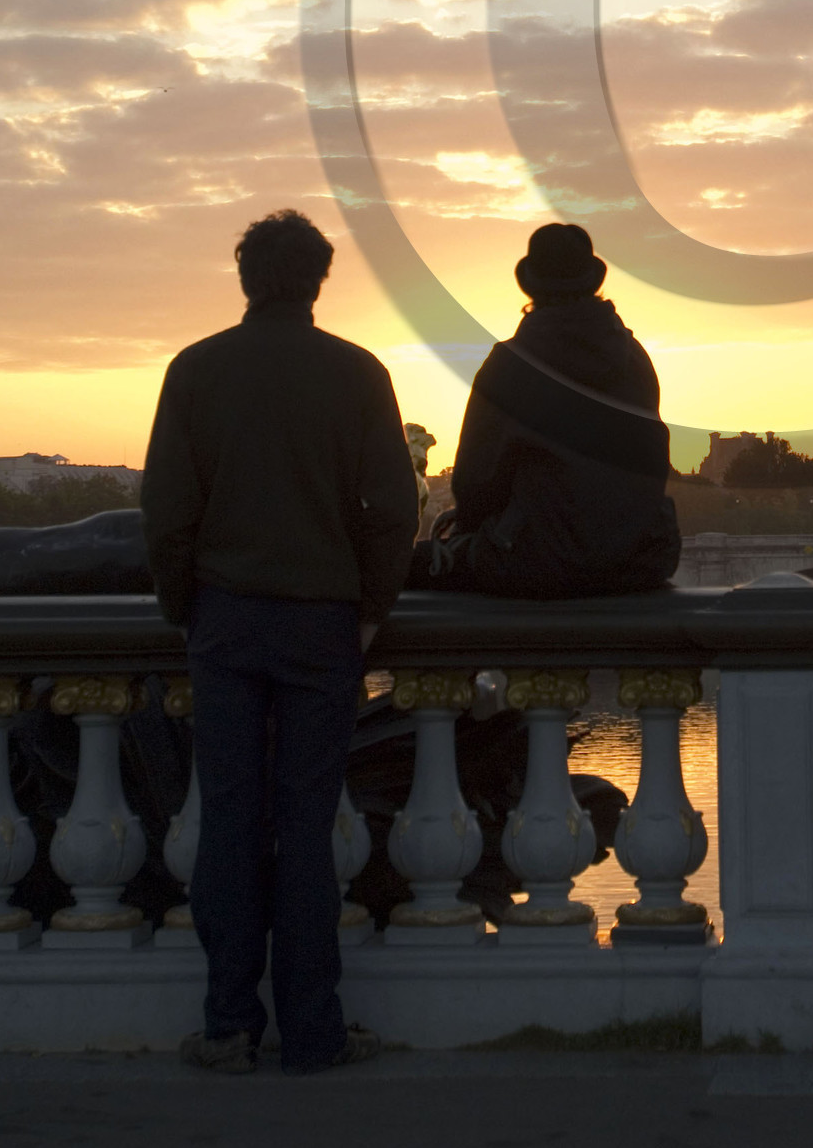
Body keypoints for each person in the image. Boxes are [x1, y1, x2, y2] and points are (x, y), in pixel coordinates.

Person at [141, 209, 419, 1078]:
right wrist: (371, 606)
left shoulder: (195, 370)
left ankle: (229, 1025)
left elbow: (168, 511)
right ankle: (313, 1029)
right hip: (322, 621)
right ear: (319, 280)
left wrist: (183, 605)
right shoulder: (359, 373)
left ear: (245, 278)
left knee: (227, 817)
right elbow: (394, 510)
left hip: (225, 617)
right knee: (306, 823)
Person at [416, 223, 679, 598]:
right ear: (593, 283)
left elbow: (475, 482)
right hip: (641, 558)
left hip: (538, 561)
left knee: (414, 565)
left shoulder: (510, 365)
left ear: (532, 287)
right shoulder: (635, 360)